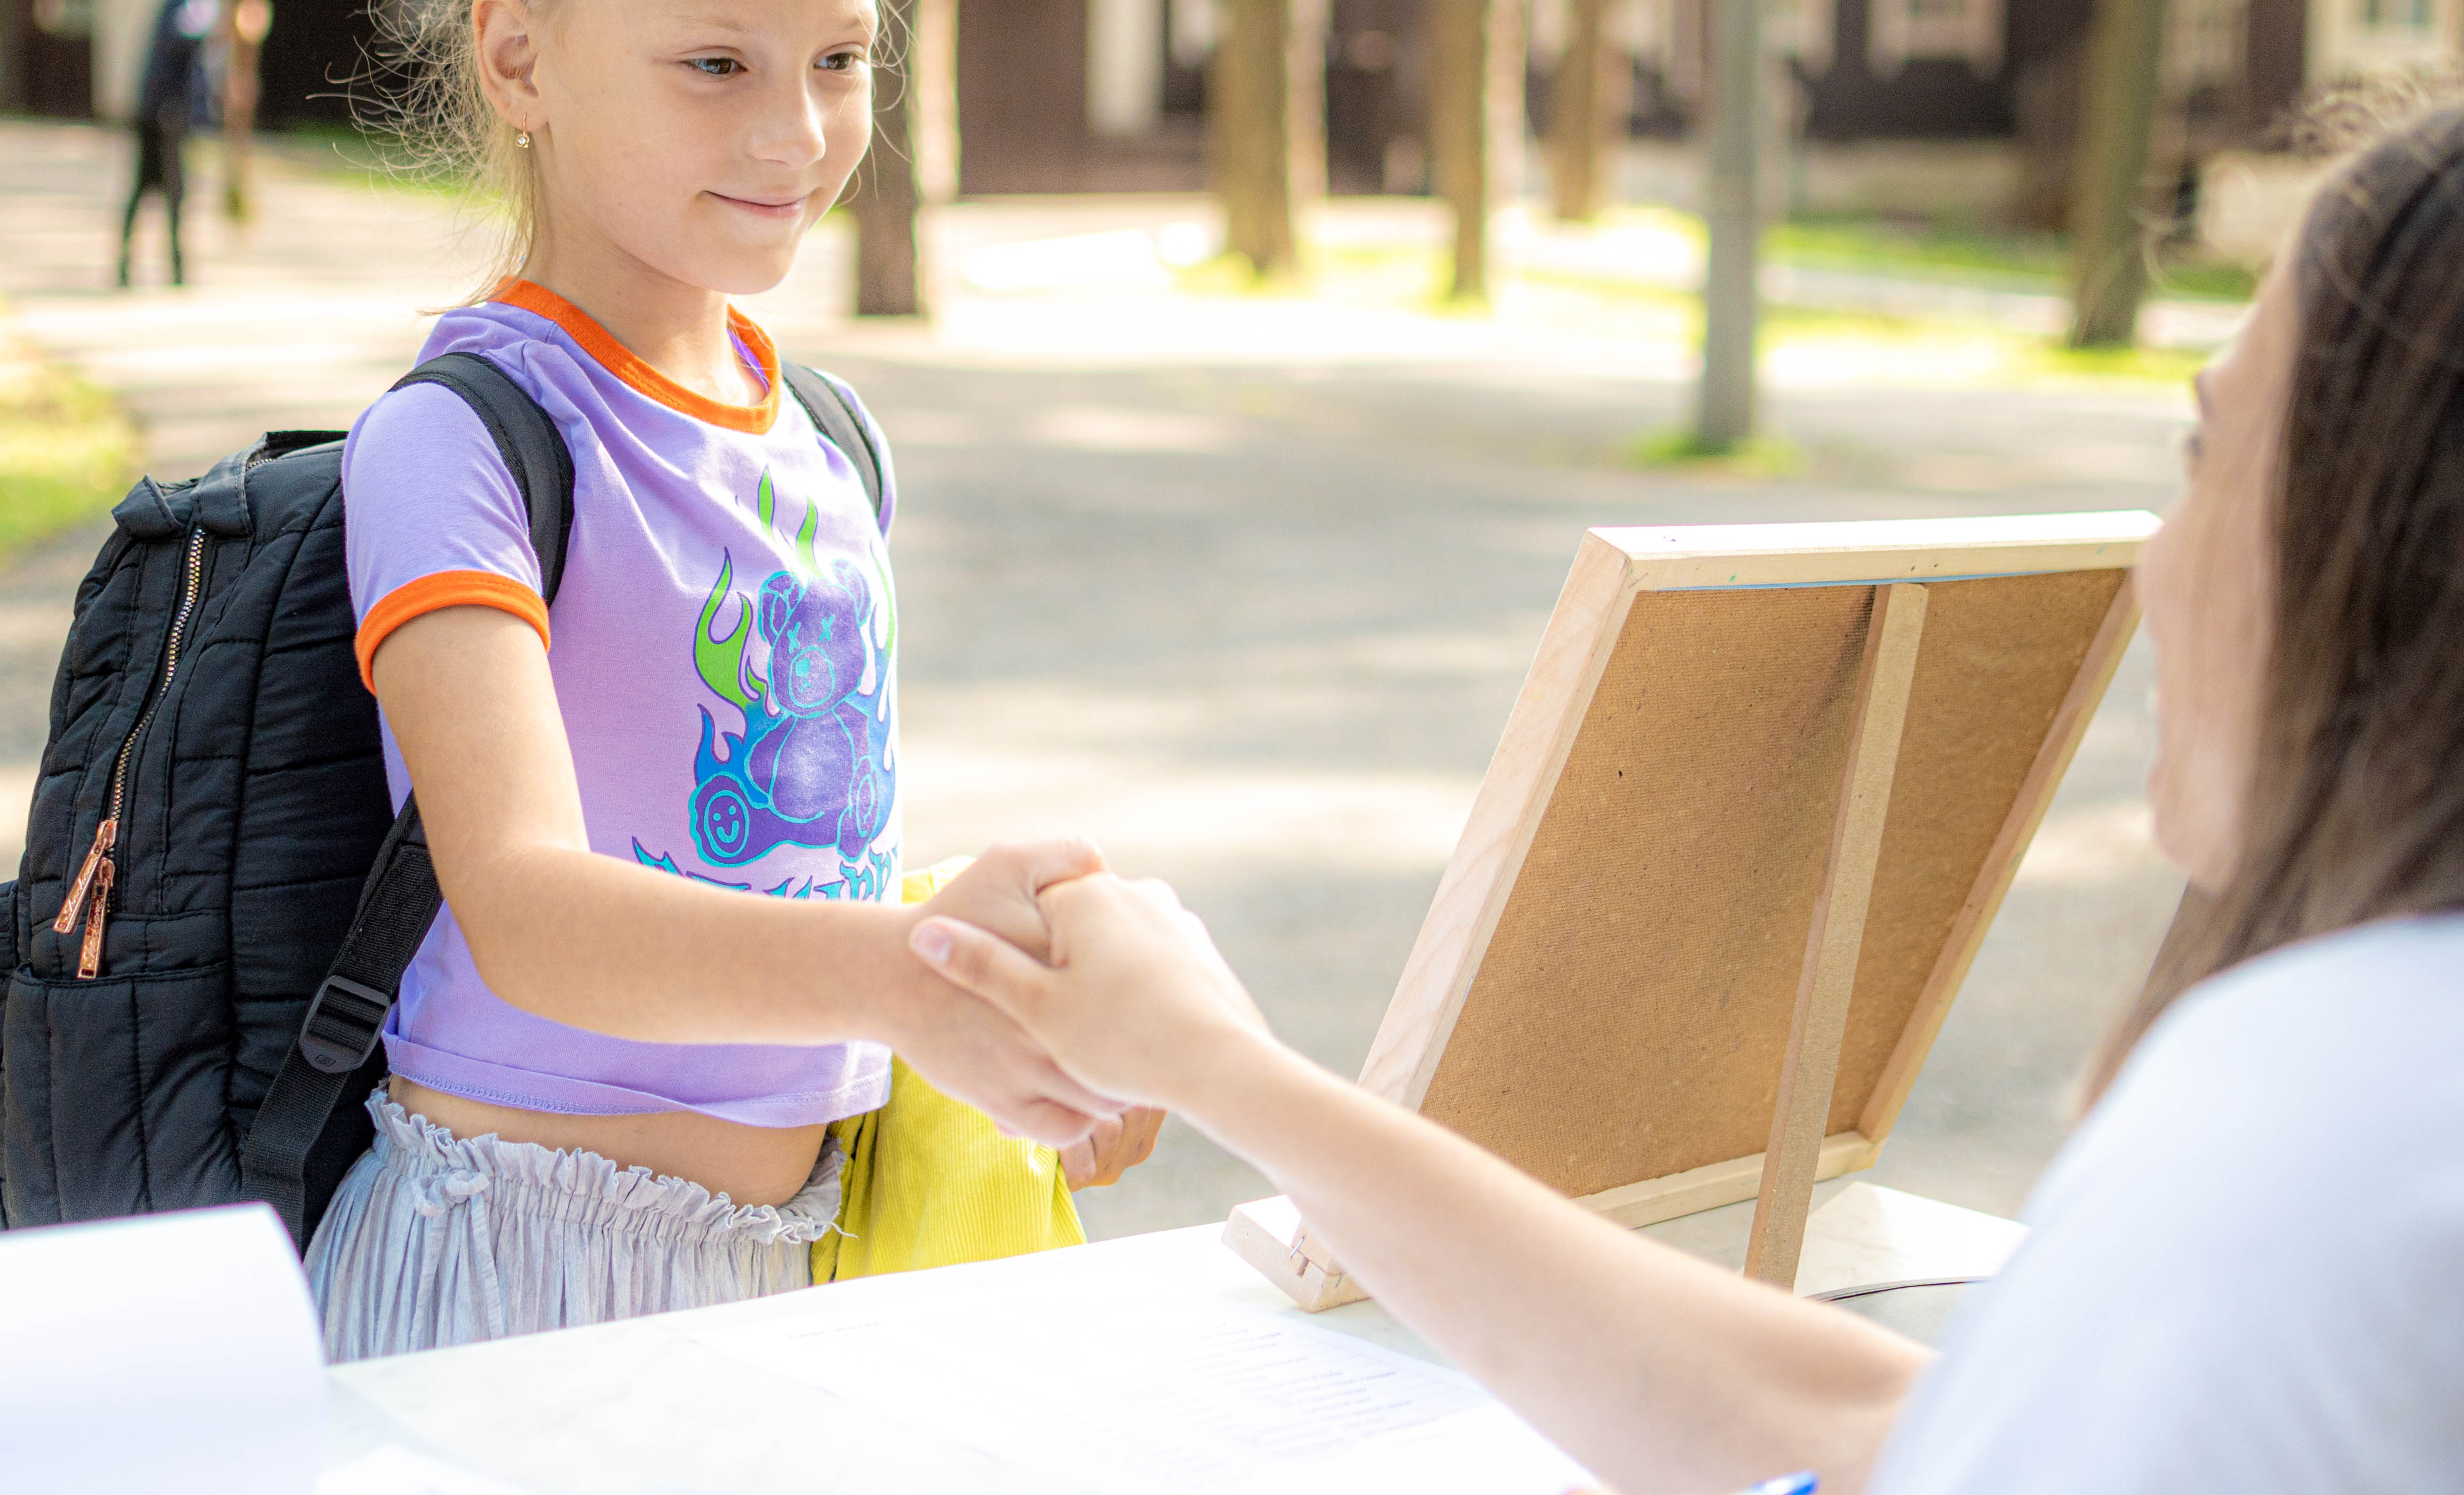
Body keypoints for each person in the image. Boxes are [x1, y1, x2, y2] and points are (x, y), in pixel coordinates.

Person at [911, 108, 2464, 1492]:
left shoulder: (2305, 1102)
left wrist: (1211, 1062)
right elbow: (1868, 1420)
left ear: (2377, 565)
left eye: (2207, 452)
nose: (2152, 556)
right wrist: (1214, 1061)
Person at [302, 0, 1155, 1362]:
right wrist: (920, 968)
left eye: (838, 57)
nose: (795, 131)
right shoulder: (462, 440)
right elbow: (529, 910)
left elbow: (778, 869)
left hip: (787, 1287)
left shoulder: (822, 440)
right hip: (514, 1292)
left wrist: (1014, 1016)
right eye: (716, 64)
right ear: (517, 56)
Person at [116, 0, 246, 288]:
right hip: (165, 110)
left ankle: (151, 266)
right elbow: (185, 36)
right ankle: (167, 268)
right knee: (163, 188)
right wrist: (226, 28)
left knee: (158, 187)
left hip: (168, 108)